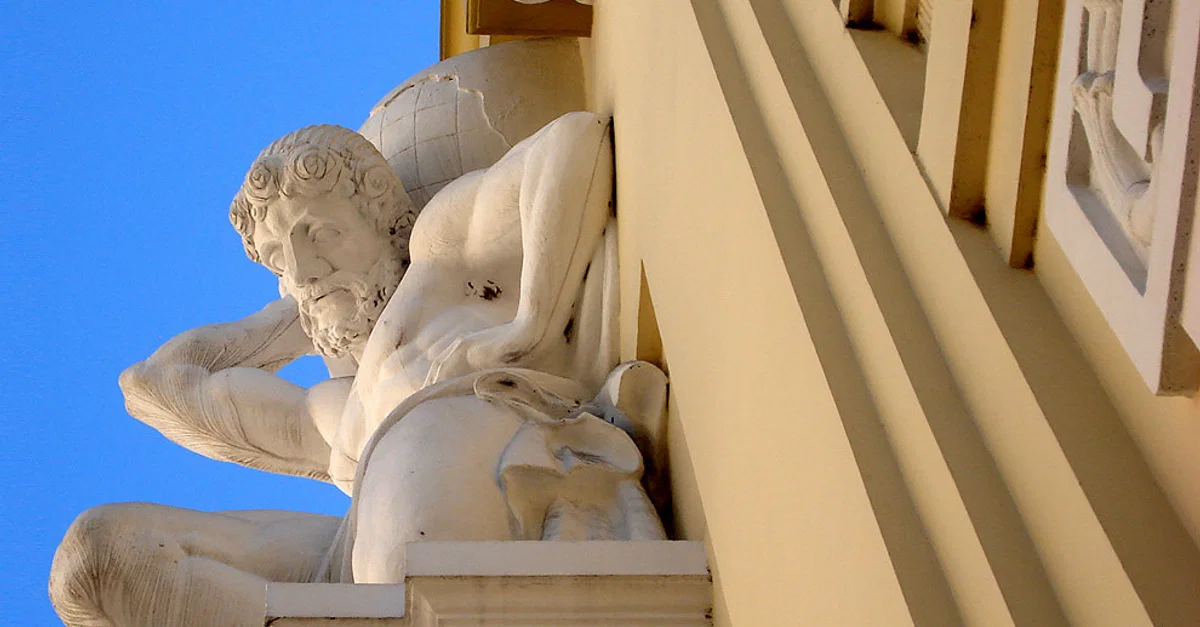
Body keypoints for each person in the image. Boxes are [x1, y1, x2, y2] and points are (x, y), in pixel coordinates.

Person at [49, 112, 664, 627]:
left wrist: (531, 322)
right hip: (357, 560)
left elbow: (574, 143)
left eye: (321, 233)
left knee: (401, 520)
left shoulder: (440, 261)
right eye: (279, 258)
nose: (302, 267)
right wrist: (300, 308)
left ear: (387, 221)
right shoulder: (333, 413)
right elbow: (153, 384)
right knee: (97, 556)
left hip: (439, 510)